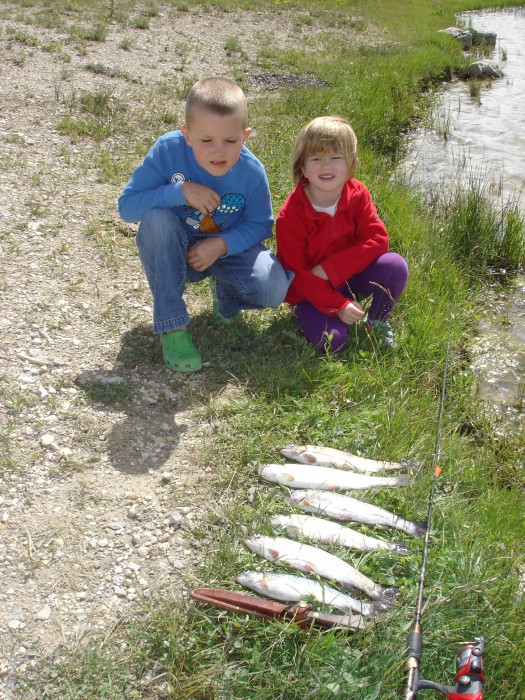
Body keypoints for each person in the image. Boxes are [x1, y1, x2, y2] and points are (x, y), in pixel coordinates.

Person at [118, 76, 293, 372]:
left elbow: (261, 225)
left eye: (230, 141)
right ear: (186, 135)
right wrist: (179, 192)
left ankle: (226, 296)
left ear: (245, 136)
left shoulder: (251, 171)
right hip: (176, 252)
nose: (218, 151)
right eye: (206, 140)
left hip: (225, 252)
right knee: (158, 219)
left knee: (274, 288)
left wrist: (223, 244)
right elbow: (127, 207)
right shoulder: (168, 150)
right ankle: (172, 326)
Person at [275, 115, 408, 353]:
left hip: (348, 279)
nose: (326, 166)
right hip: (309, 292)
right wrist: (338, 305)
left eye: (336, 157)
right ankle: (302, 313)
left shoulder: (358, 195)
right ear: (302, 166)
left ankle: (377, 321)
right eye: (316, 158)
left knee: (395, 265)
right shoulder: (290, 215)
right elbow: (295, 273)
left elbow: (378, 240)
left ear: (351, 164)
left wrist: (330, 269)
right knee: (333, 342)